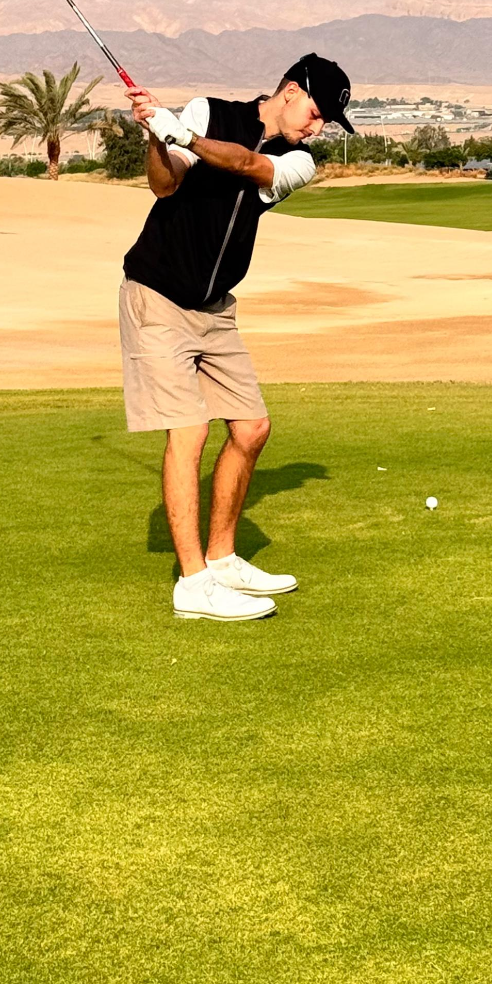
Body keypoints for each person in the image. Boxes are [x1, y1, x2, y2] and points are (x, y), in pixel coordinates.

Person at [119, 52, 354, 622]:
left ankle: (221, 560)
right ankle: (193, 584)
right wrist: (157, 137)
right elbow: (164, 186)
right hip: (157, 295)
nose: (318, 129)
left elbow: (248, 165)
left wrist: (184, 135)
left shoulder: (298, 162)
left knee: (252, 428)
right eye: (317, 113)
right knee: (190, 431)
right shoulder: (209, 111)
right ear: (291, 91)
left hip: (215, 308)